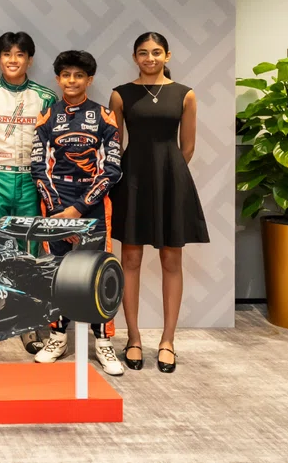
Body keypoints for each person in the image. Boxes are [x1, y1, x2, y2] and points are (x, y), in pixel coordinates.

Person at [109, 32, 209, 374]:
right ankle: (133, 338)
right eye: (142, 53)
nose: (149, 58)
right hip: (132, 180)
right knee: (131, 257)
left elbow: (188, 147)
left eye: (156, 52)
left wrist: (169, 176)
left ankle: (168, 341)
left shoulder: (185, 94)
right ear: (135, 57)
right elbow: (114, 144)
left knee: (171, 259)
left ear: (167, 54)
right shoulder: (121, 95)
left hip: (171, 181)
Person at [30, 50, 124, 376]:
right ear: (58, 79)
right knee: (57, 273)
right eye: (66, 75)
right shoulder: (46, 116)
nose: (72, 81)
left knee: (98, 274)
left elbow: (112, 169)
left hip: (93, 202)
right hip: (55, 202)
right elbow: (37, 168)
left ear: (89, 79)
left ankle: (103, 341)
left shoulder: (105, 116)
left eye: (79, 76)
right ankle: (57, 337)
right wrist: (60, 211)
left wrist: (79, 209)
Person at [0, 31, 57, 355]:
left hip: (30, 181)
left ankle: (29, 326)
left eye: (19, 55)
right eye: (6, 54)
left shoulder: (46, 98)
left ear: (29, 60)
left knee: (31, 254)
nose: (12, 60)